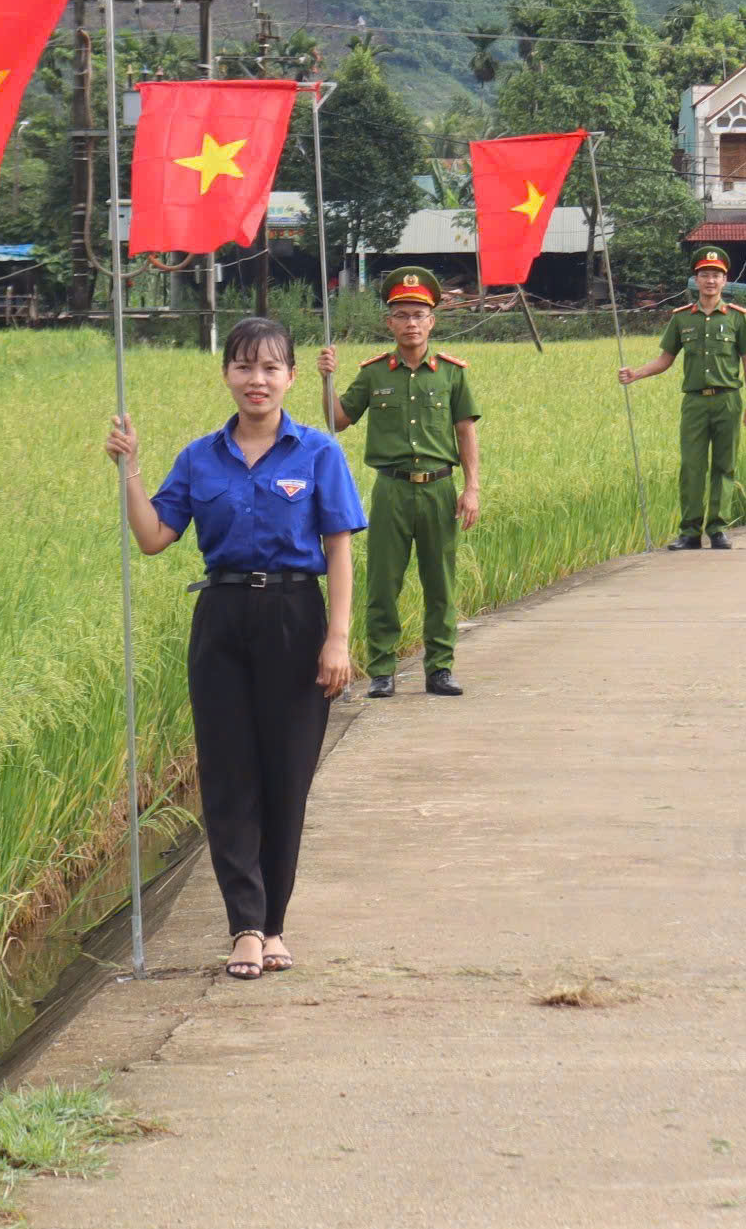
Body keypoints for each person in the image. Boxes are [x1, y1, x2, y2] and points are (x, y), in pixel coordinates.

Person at [106, 316, 362, 980]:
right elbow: (155, 536)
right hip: (220, 617)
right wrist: (129, 471)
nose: (258, 380)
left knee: (287, 776)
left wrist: (338, 636)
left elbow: (339, 547)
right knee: (228, 776)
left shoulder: (318, 452)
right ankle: (245, 926)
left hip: (295, 616)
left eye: (271, 367)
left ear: (292, 377)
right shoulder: (199, 457)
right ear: (227, 373)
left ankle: (276, 923)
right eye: (245, 366)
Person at [318, 267, 480, 699]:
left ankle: (440, 668)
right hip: (390, 489)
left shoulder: (451, 373)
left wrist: (472, 488)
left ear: (432, 321)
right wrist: (326, 380)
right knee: (383, 583)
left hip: (440, 489)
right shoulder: (374, 374)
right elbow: (338, 420)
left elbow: (465, 430)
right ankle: (383, 670)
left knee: (440, 582)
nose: (411, 323)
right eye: (402, 314)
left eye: (419, 315)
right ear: (388, 322)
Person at [618, 247, 746, 550]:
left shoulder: (737, 318)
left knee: (725, 465)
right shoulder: (682, 319)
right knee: (691, 466)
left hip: (728, 400)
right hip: (695, 402)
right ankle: (690, 532)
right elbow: (666, 359)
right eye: (705, 274)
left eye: (716, 275)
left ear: (725, 280)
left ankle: (718, 529)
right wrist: (636, 374)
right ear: (696, 279)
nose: (710, 280)